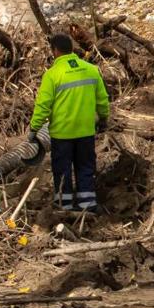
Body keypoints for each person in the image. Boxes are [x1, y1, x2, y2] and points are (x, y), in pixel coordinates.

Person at [29, 33, 110, 213]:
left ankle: (64, 206)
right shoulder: (90, 69)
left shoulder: (52, 75)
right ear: (72, 49)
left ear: (55, 51)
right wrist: (104, 117)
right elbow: (103, 99)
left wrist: (34, 128)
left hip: (62, 134)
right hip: (86, 131)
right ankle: (87, 204)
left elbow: (43, 106)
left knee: (62, 170)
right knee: (86, 167)